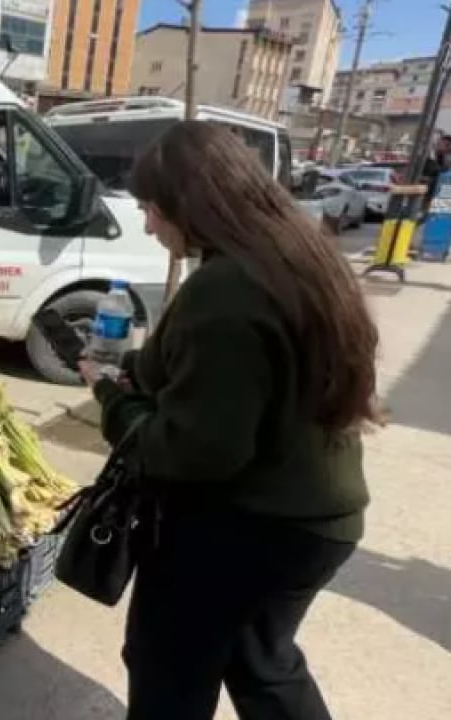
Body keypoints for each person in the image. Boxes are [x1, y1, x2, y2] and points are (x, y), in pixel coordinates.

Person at [79, 121, 376, 720]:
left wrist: (114, 401)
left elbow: (195, 451)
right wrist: (144, 368)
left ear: (188, 206)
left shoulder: (227, 288)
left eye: (151, 209)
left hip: (243, 529)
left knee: (170, 669)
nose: (147, 224)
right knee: (263, 666)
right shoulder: (296, 254)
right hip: (317, 521)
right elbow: (234, 375)